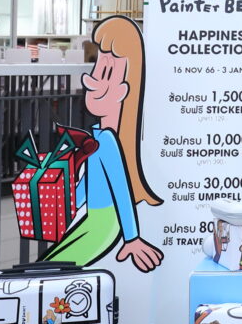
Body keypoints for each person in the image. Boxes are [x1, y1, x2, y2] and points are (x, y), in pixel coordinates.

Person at [44, 16, 164, 271]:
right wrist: (66, 203)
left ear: (124, 89)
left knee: (52, 268)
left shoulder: (108, 140)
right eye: (97, 67)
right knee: (53, 267)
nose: (91, 80)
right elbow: (88, 186)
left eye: (105, 72)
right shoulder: (99, 136)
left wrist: (132, 238)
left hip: (103, 223)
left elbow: (122, 189)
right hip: (95, 218)